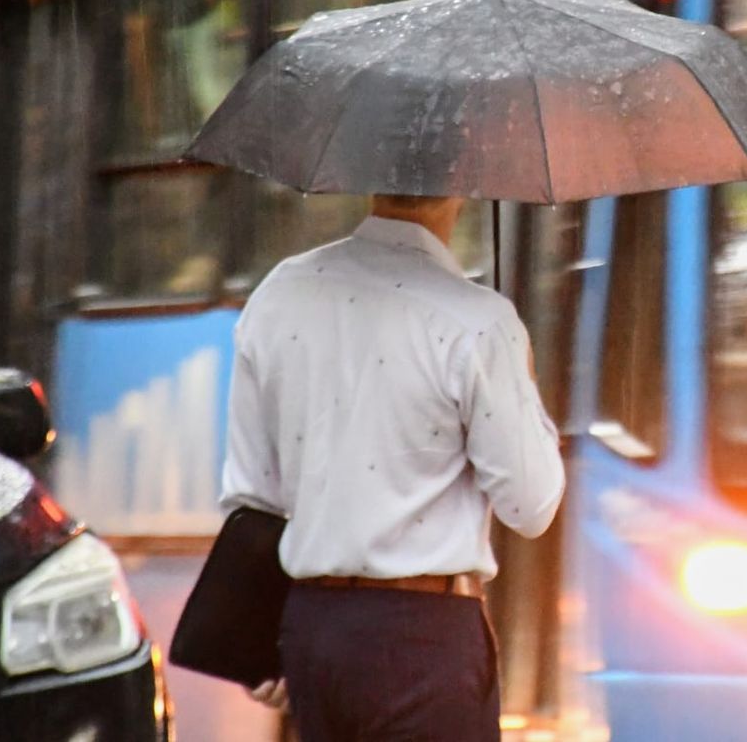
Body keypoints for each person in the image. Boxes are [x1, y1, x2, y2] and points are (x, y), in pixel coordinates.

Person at [219, 192, 565, 741]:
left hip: (312, 629)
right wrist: (525, 388)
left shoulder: (280, 293)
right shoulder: (478, 321)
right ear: (464, 183)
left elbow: (252, 494)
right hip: (424, 640)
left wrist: (263, 634)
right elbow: (531, 506)